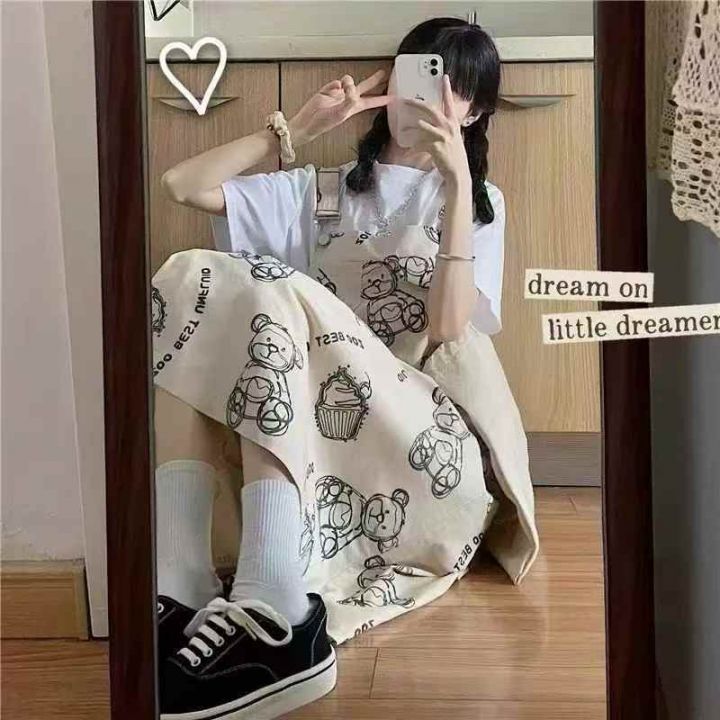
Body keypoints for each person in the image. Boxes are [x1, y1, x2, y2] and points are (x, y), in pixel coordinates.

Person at [152, 17, 538, 720]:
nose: (431, 96)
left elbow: (449, 328)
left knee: (270, 283)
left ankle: (274, 591)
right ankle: (178, 583)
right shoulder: (320, 191)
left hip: (418, 437)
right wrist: (297, 127)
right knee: (190, 272)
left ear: (475, 112)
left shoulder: (480, 205)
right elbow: (182, 185)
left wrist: (457, 186)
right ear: (389, 85)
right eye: (421, 74)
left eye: (454, 87)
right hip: (320, 424)